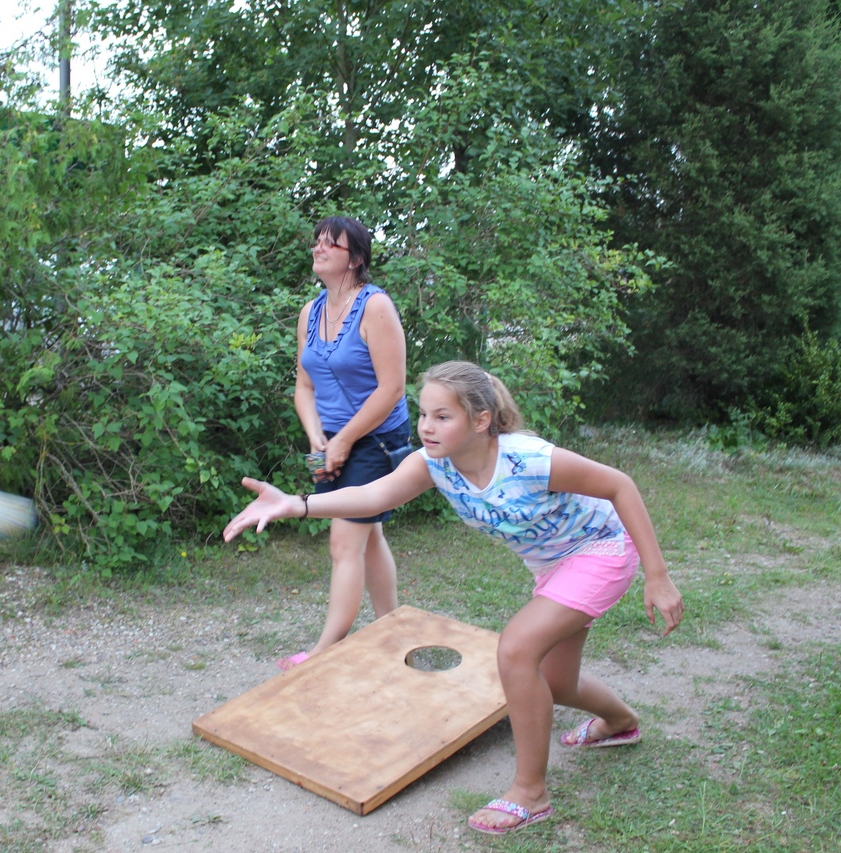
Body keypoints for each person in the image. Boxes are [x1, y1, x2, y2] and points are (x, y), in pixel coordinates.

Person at [224, 360, 684, 835]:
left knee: (516, 652)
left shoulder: (527, 460)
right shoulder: (434, 464)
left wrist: (658, 576)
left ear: (481, 420)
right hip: (552, 567)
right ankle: (621, 722)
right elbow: (373, 497)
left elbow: (619, 485)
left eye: (442, 416)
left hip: (599, 551)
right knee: (557, 683)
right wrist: (296, 504)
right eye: (423, 414)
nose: (426, 427)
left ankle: (531, 793)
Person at [282, 215, 412, 671]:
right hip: (331, 440)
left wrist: (344, 442)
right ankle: (392, 627)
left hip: (376, 439)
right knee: (368, 535)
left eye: (330, 244)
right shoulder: (311, 312)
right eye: (316, 242)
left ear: (354, 258)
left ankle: (325, 650)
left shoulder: (376, 307)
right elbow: (304, 386)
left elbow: (392, 389)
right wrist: (316, 435)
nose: (318, 249)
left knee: (344, 541)